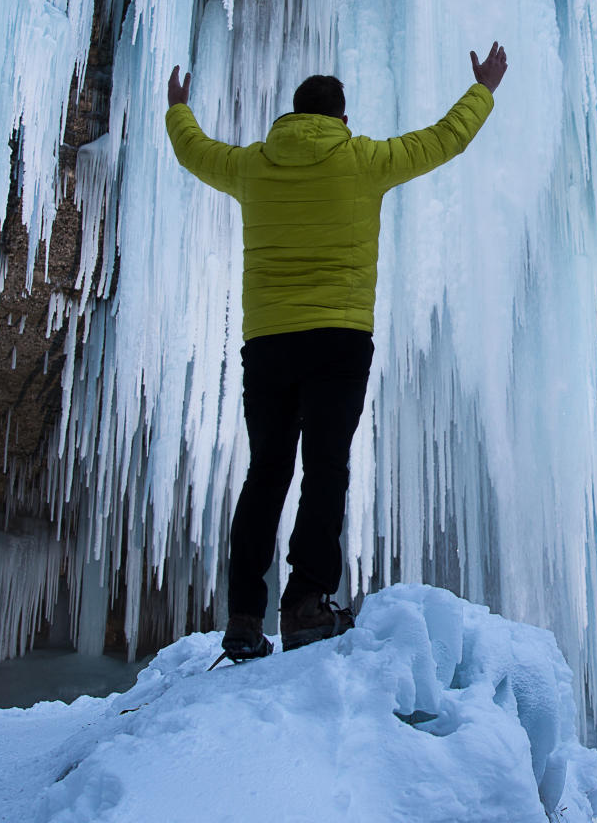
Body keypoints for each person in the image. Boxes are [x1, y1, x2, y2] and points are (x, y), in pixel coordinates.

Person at [166, 42, 508, 661]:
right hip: (339, 341)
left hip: (267, 343)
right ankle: (304, 605)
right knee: (325, 468)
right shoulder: (363, 159)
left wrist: (177, 109)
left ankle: (244, 614)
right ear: (341, 119)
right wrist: (483, 89)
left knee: (266, 471)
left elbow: (194, 152)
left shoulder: (253, 165)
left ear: (291, 116)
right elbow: (442, 141)